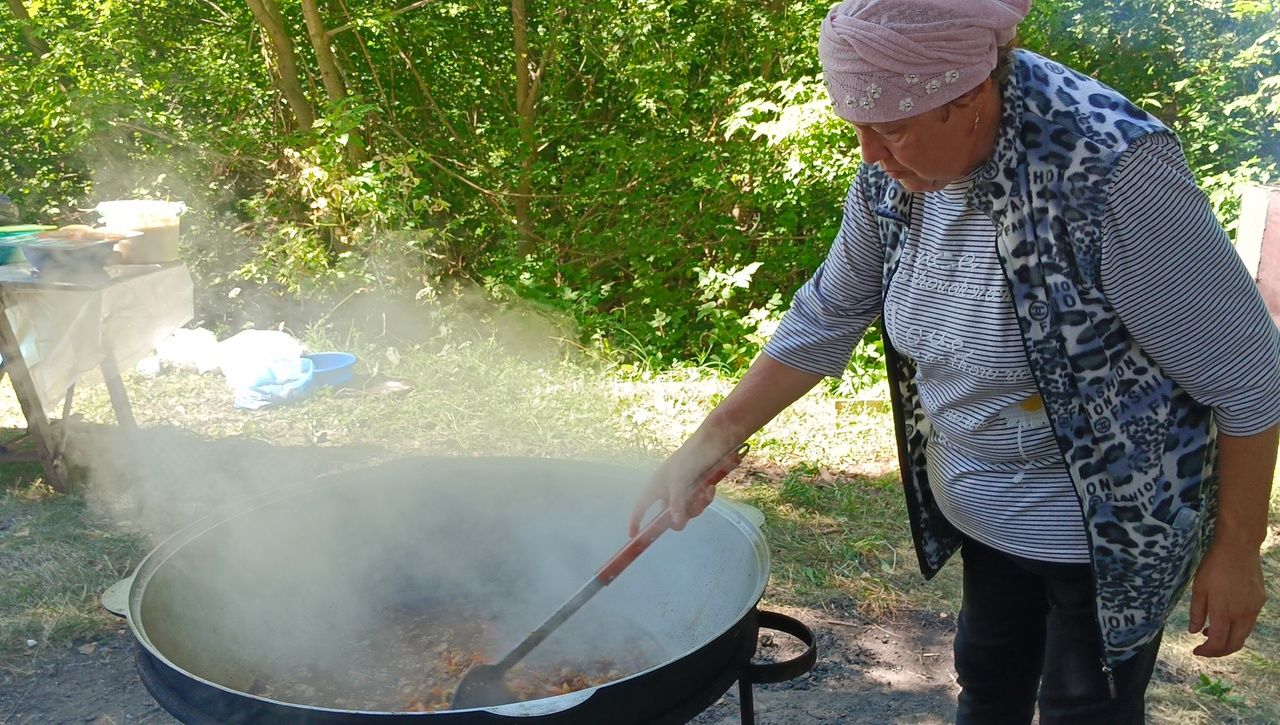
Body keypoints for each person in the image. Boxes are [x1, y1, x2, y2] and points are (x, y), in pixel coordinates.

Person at [629, 1, 1280, 722]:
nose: (869, 155)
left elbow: (1250, 376)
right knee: (988, 686)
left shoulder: (1109, 168)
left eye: (891, 130)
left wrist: (1237, 549)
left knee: (1083, 709)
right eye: (858, 129)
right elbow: (827, 314)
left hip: (1107, 527)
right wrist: (704, 446)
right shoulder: (895, 172)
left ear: (969, 96)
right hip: (983, 503)